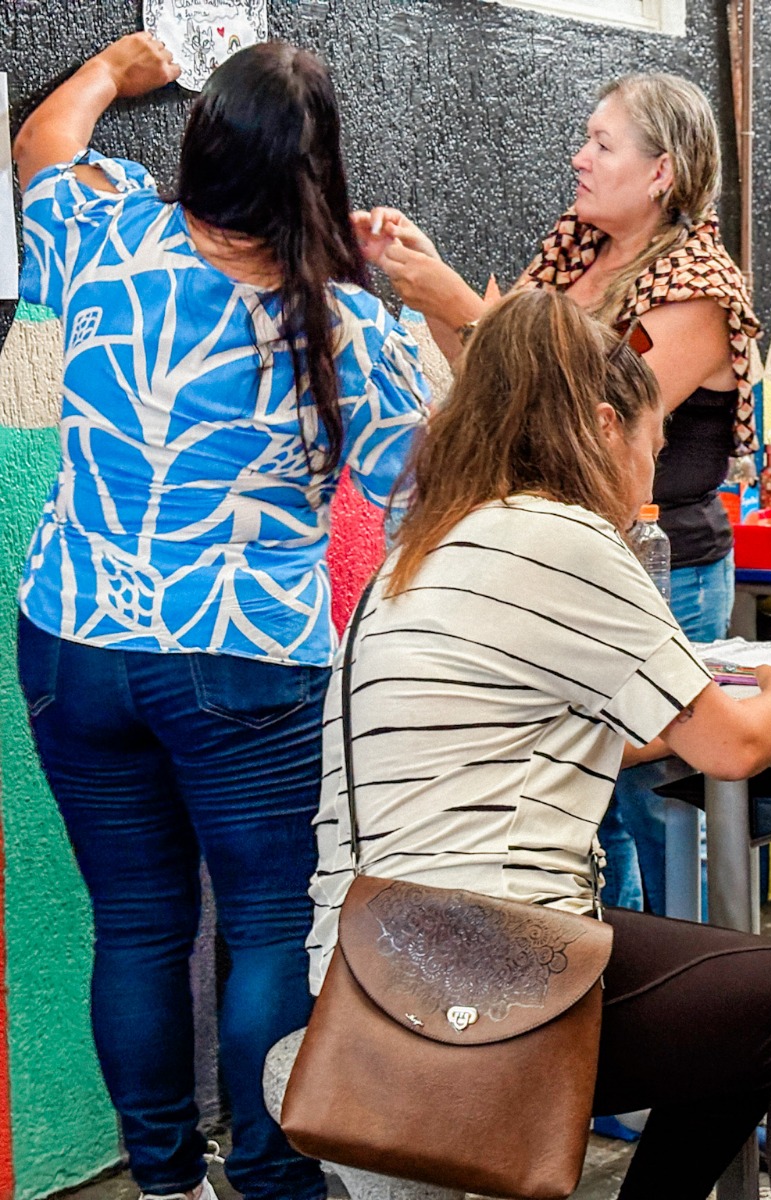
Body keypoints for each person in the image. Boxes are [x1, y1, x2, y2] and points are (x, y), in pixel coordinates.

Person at [308, 287, 771, 1200]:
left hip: (362, 960)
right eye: (651, 449)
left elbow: (539, 749)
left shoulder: (423, 546)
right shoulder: (559, 533)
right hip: (486, 968)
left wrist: (682, 730)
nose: (647, 487)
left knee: (740, 1011)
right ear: (605, 425)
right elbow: (733, 748)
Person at [11, 36, 431, 1200]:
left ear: (200, 153)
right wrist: (426, 296)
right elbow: (426, 482)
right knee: (262, 927)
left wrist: (109, 69)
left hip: (74, 640)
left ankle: (162, 1183)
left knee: (135, 926)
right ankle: (269, 1178)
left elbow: (42, 147)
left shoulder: (109, 239)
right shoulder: (346, 324)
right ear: (319, 176)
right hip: (243, 656)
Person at [357, 72, 756, 913]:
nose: (578, 158)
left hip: (659, 565)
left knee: (660, 798)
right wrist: (432, 287)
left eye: (603, 143)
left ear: (662, 172)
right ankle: (596, 976)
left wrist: (457, 301)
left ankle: (687, 981)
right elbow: (500, 382)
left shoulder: (695, 289)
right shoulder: (571, 255)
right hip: (555, 561)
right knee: (578, 797)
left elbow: (593, 418)